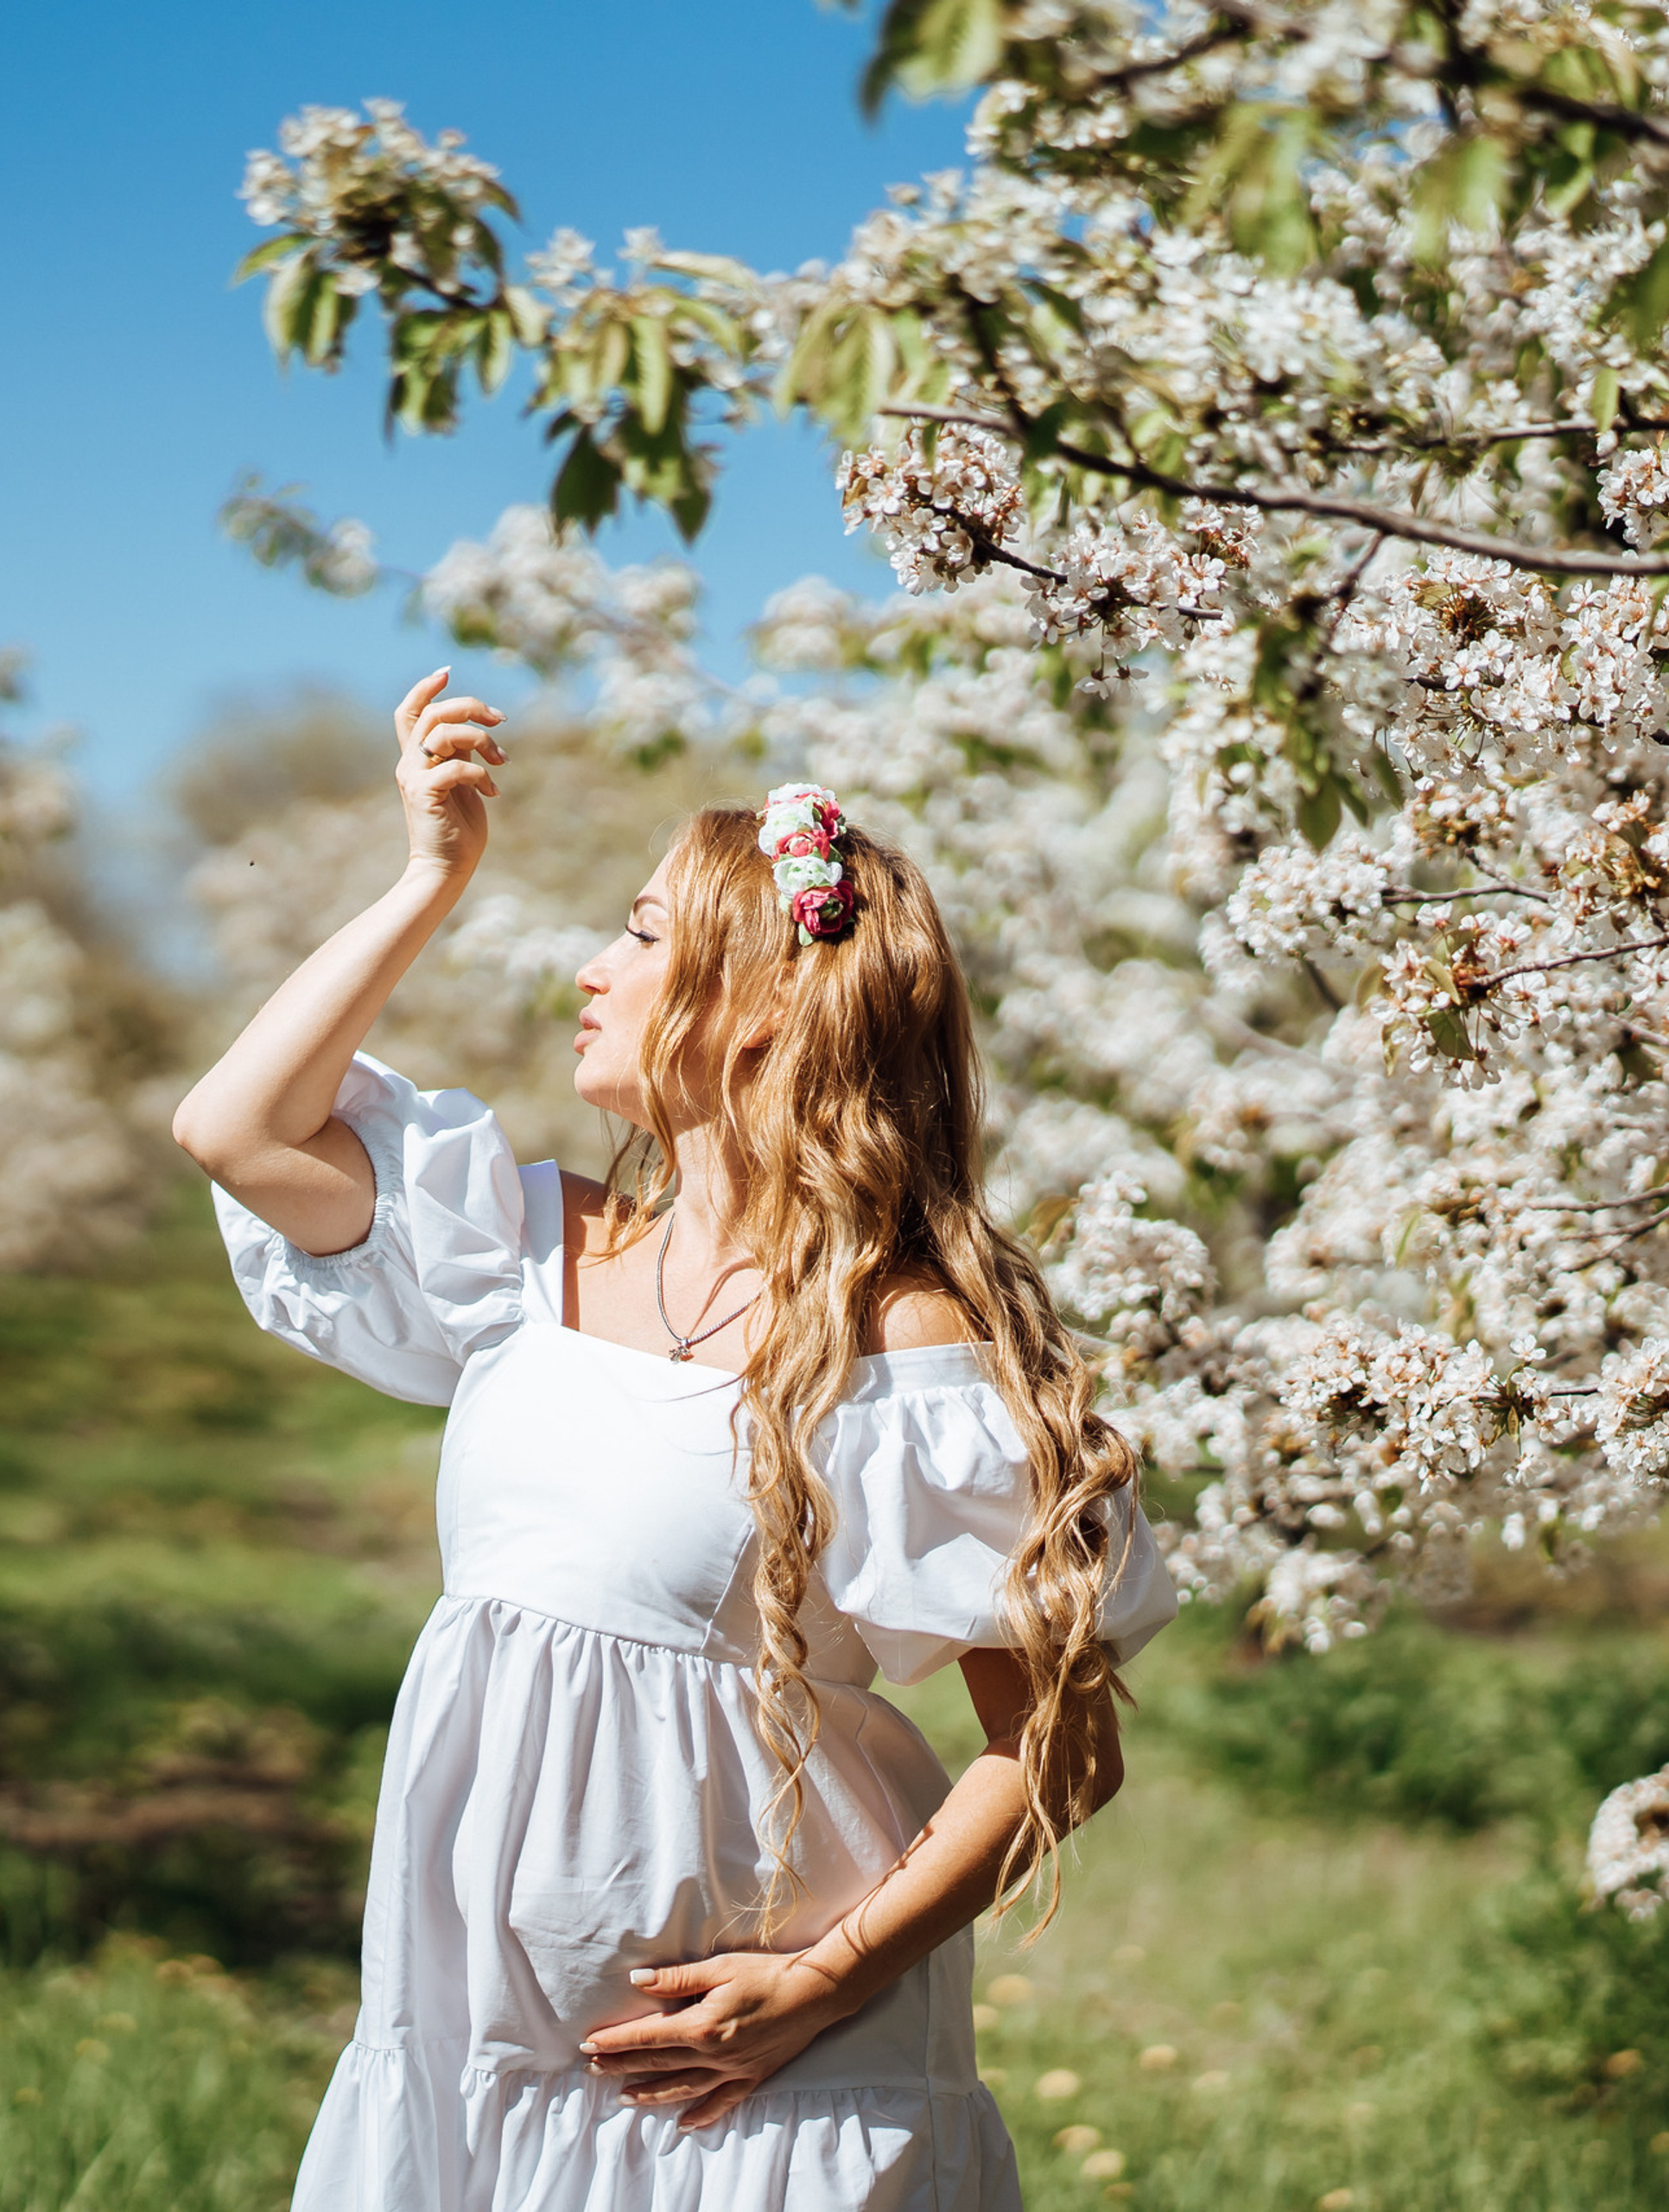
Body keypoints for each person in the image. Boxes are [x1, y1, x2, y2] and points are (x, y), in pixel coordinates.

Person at [174, 667, 1179, 2211]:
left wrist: (830, 1981)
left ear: (770, 1000)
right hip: (483, 2046)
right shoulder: (523, 1248)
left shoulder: (904, 1345)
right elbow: (233, 1129)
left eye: (641, 936)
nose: (589, 969)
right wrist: (431, 874)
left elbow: (1059, 1742)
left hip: (762, 2072)